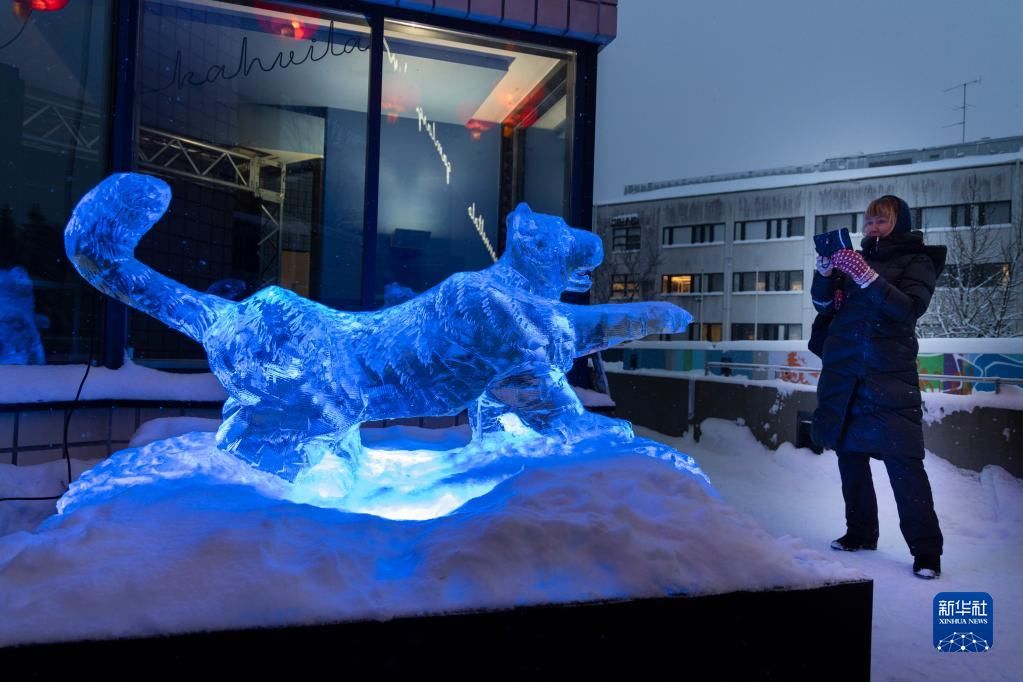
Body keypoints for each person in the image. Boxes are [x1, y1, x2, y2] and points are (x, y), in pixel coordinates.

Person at [809, 195, 946, 579]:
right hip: (845, 373)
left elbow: (908, 308)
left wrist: (867, 278)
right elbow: (824, 306)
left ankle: (926, 553)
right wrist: (825, 271)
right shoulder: (855, 258)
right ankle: (860, 532)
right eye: (869, 221)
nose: (873, 228)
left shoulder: (917, 261)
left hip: (888, 376)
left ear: (900, 223)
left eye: (882, 221)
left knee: (905, 464)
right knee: (849, 458)